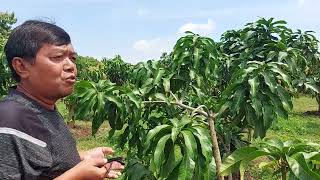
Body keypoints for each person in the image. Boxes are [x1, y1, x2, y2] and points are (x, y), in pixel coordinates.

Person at [0, 20, 124, 179]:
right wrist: (78, 175)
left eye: (73, 58)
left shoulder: (44, 108)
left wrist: (81, 158)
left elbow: (41, 161)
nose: (71, 66)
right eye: (58, 57)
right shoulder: (10, 120)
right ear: (22, 67)